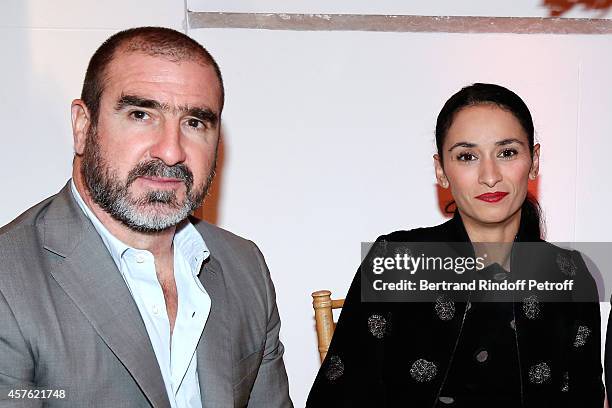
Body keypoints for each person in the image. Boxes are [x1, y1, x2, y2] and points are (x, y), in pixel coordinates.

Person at [0, 27, 292, 408]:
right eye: (141, 114)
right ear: (82, 126)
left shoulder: (244, 266)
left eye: (195, 123)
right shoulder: (9, 280)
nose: (171, 151)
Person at [307, 83, 603, 407]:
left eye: (507, 152)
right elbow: (340, 396)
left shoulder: (570, 275)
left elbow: (585, 396)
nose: (490, 176)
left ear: (533, 161)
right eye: (467, 156)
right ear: (441, 170)